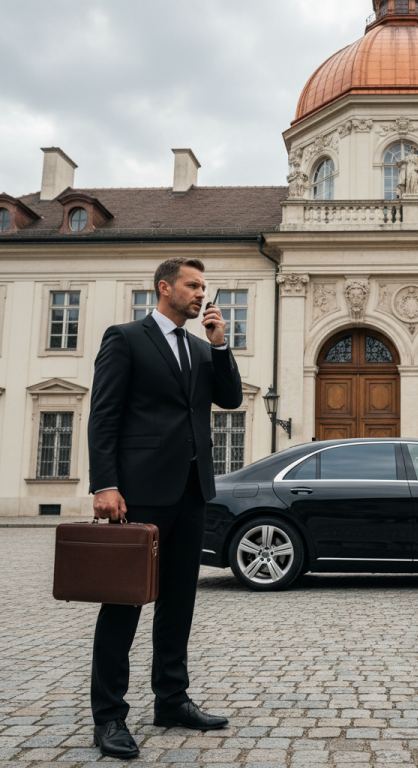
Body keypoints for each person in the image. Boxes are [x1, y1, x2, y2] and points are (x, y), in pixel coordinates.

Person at [87, 257, 243, 759]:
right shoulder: (125, 337)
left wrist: (220, 347)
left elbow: (231, 399)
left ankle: (171, 700)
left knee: (178, 605)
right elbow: (104, 414)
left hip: (192, 491)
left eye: (204, 287)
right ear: (164, 287)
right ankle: (109, 717)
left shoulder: (202, 348)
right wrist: (105, 484)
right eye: (192, 285)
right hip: (140, 493)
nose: (201, 294)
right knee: (123, 605)